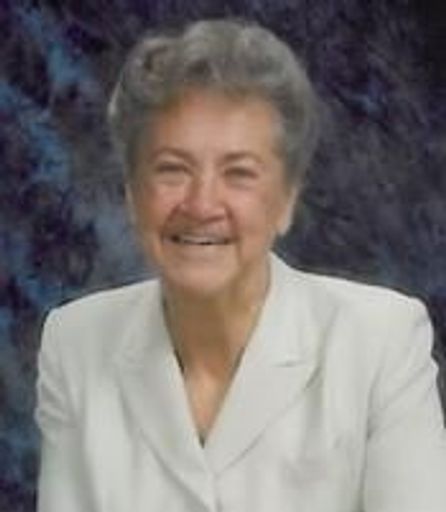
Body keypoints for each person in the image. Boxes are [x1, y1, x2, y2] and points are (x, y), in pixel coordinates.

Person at [35, 19, 446, 512]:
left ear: (287, 200)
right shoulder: (74, 344)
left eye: (239, 173)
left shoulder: (382, 342)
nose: (201, 203)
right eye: (172, 169)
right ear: (131, 194)